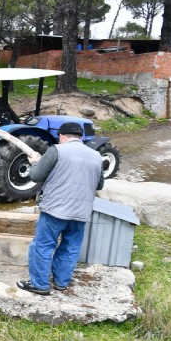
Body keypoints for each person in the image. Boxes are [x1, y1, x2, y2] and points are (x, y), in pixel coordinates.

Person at [17, 122, 104, 296]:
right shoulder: (96, 156)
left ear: (62, 136)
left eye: (59, 137)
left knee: (42, 246)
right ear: (80, 137)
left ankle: (40, 285)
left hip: (55, 209)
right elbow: (99, 184)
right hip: (81, 211)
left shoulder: (56, 150)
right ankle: (61, 283)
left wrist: (35, 163)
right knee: (70, 246)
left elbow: (36, 175)